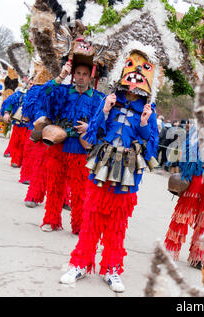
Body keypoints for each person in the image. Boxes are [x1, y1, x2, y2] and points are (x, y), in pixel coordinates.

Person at [59, 44, 159, 293]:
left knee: (117, 224)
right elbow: (92, 134)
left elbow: (151, 148)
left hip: (127, 173)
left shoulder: (149, 110)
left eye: (143, 72)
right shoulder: (109, 100)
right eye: (131, 71)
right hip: (102, 166)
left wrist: (145, 124)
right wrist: (104, 111)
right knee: (92, 216)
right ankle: (80, 263)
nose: (135, 79)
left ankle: (111, 269)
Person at [38, 60, 104, 234]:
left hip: (80, 149)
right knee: (54, 186)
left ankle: (79, 225)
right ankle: (51, 220)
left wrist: (90, 128)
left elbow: (105, 125)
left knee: (80, 191)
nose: (80, 78)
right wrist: (61, 76)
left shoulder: (99, 98)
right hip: (58, 145)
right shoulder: (63, 91)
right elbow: (43, 95)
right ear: (73, 75)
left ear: (91, 76)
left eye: (84, 74)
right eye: (78, 73)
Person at [164, 125, 204, 272]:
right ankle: (170, 251)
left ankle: (198, 257)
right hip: (196, 175)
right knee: (183, 216)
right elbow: (187, 149)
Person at [0, 82, 32, 168]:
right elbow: (10, 103)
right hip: (19, 123)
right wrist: (7, 113)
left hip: (31, 126)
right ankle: (16, 160)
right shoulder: (20, 93)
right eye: (30, 83)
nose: (31, 85)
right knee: (16, 142)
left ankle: (24, 163)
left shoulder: (40, 95)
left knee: (27, 144)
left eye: (34, 84)